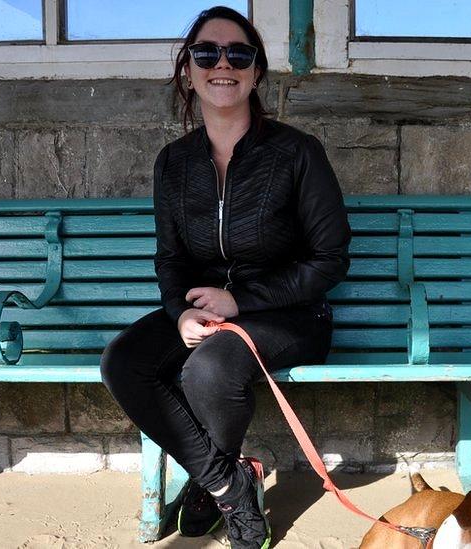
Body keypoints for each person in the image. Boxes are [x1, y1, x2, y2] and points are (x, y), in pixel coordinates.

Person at [100, 6, 351, 548]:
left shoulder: (296, 152)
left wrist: (239, 300)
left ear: (257, 71)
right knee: (124, 361)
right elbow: (170, 259)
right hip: (208, 311)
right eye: (206, 53)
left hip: (292, 314)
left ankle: (215, 489)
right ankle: (228, 485)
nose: (223, 65)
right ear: (187, 68)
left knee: (208, 370)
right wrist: (181, 310)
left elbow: (329, 259)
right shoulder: (173, 162)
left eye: (239, 54)